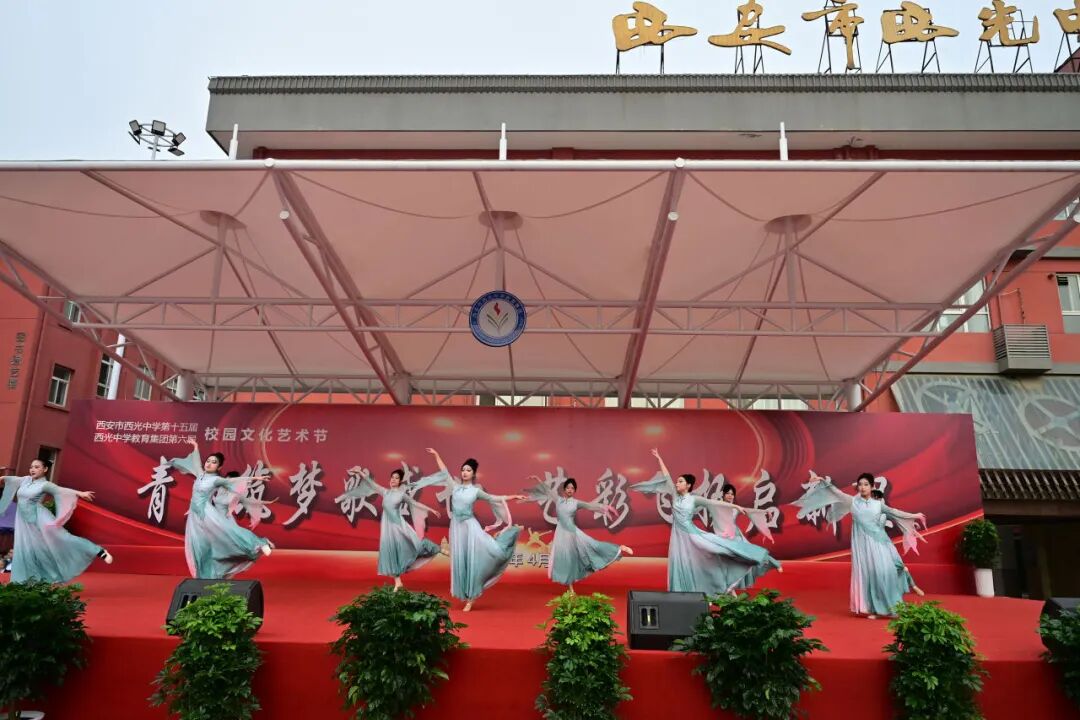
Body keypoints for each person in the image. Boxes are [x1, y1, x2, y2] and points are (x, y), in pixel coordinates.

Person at [631, 449, 781, 596]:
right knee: (684, 563)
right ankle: (692, 593)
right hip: (679, 538)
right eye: (677, 481)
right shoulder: (675, 496)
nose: (677, 483)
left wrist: (736, 506)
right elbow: (667, 476)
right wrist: (659, 458)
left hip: (693, 535)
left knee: (718, 550)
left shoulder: (694, 499)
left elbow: (714, 503)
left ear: (688, 485)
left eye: (680, 481)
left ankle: (762, 558)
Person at [792, 471, 926, 619]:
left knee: (885, 573)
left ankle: (895, 607)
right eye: (860, 485)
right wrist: (822, 481)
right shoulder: (853, 502)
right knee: (870, 576)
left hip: (880, 544)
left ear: (872, 487)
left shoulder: (878, 504)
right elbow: (835, 493)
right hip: (863, 546)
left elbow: (895, 512)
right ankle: (876, 610)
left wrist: (914, 516)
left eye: (866, 484)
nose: (862, 487)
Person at [413, 448, 525, 611]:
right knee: (461, 560)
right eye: (463, 470)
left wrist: (513, 496)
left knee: (477, 558)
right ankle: (466, 594)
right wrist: (437, 455)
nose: (465, 472)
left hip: (470, 527)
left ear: (473, 474)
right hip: (457, 529)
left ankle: (471, 598)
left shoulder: (476, 491)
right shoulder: (455, 487)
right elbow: (444, 472)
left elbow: (493, 498)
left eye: (468, 470)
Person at [167, 438, 275, 579]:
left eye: (214, 462)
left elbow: (233, 480)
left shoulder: (216, 480)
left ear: (218, 467)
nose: (209, 463)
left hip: (207, 514)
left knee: (230, 533)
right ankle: (205, 577)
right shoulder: (200, 474)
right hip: (194, 517)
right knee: (199, 547)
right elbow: (196, 461)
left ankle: (259, 543)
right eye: (208, 461)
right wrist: (196, 446)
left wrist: (257, 478)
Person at [0, 459, 113, 583]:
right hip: (23, 521)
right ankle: (29, 582)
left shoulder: (45, 485)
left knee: (63, 538)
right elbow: (13, 479)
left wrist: (80, 493)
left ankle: (98, 551)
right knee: (27, 550)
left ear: (45, 469)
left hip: (39, 518)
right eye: (31, 467)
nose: (32, 469)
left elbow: (61, 490)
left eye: (37, 467)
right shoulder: (26, 480)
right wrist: (3, 478)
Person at [335, 466, 443, 591]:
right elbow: (371, 483)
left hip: (399, 527)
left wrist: (431, 510)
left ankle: (437, 548)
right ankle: (398, 582)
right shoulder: (385, 492)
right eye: (392, 477)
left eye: (396, 478)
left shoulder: (401, 494)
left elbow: (414, 503)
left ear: (400, 481)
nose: (393, 480)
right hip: (388, 529)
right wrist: (360, 472)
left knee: (415, 546)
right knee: (391, 553)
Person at [522, 475, 633, 593]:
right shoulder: (558, 500)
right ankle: (571, 589)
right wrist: (537, 479)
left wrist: (607, 507)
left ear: (574, 490)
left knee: (594, 545)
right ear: (564, 489)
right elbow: (547, 490)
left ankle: (619, 548)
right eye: (568, 488)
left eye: (572, 488)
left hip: (572, 533)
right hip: (561, 534)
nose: (570, 490)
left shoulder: (576, 503)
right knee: (566, 559)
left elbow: (591, 506)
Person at [716, 483, 776, 590]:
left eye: (732, 494)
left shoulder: (736, 509)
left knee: (743, 560)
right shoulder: (717, 506)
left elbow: (750, 511)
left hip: (736, 538)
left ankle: (732, 588)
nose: (730, 496)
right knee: (724, 563)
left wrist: (765, 512)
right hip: (723, 537)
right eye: (728, 493)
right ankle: (727, 588)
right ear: (723, 495)